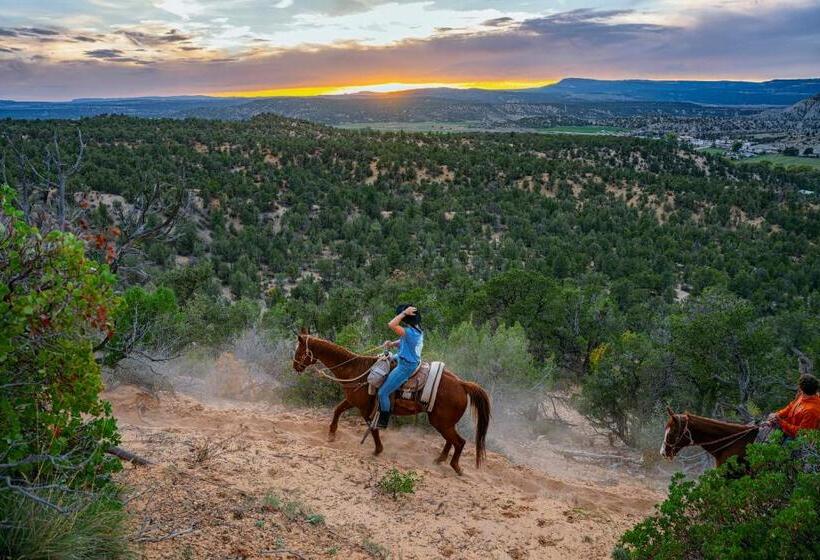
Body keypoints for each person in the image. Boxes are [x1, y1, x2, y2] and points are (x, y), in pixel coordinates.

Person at [376, 304, 423, 429]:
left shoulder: (410, 332)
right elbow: (403, 340)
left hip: (405, 366)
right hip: (403, 357)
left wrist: (404, 313)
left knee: (382, 393)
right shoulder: (416, 329)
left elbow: (391, 325)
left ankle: (383, 420)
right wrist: (392, 344)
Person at [758, 373, 820, 441]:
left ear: (801, 388)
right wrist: (776, 416)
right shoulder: (803, 396)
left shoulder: (811, 411)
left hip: (797, 439)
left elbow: (801, 433)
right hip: (787, 428)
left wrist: (781, 422)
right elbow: (790, 407)